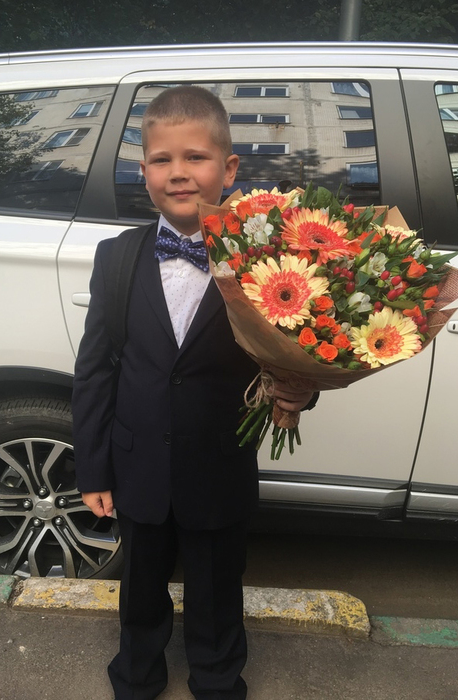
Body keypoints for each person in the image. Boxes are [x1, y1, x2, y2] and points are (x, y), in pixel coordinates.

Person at [72, 85, 317, 700]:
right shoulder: (116, 258)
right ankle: (136, 674)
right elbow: (95, 369)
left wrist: (299, 393)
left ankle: (217, 677)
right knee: (140, 586)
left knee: (216, 586)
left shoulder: (266, 261)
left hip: (219, 462)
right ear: (144, 171)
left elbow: (293, 355)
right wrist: (93, 467)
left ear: (228, 169)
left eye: (196, 157)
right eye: (162, 159)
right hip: (137, 464)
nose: (178, 172)